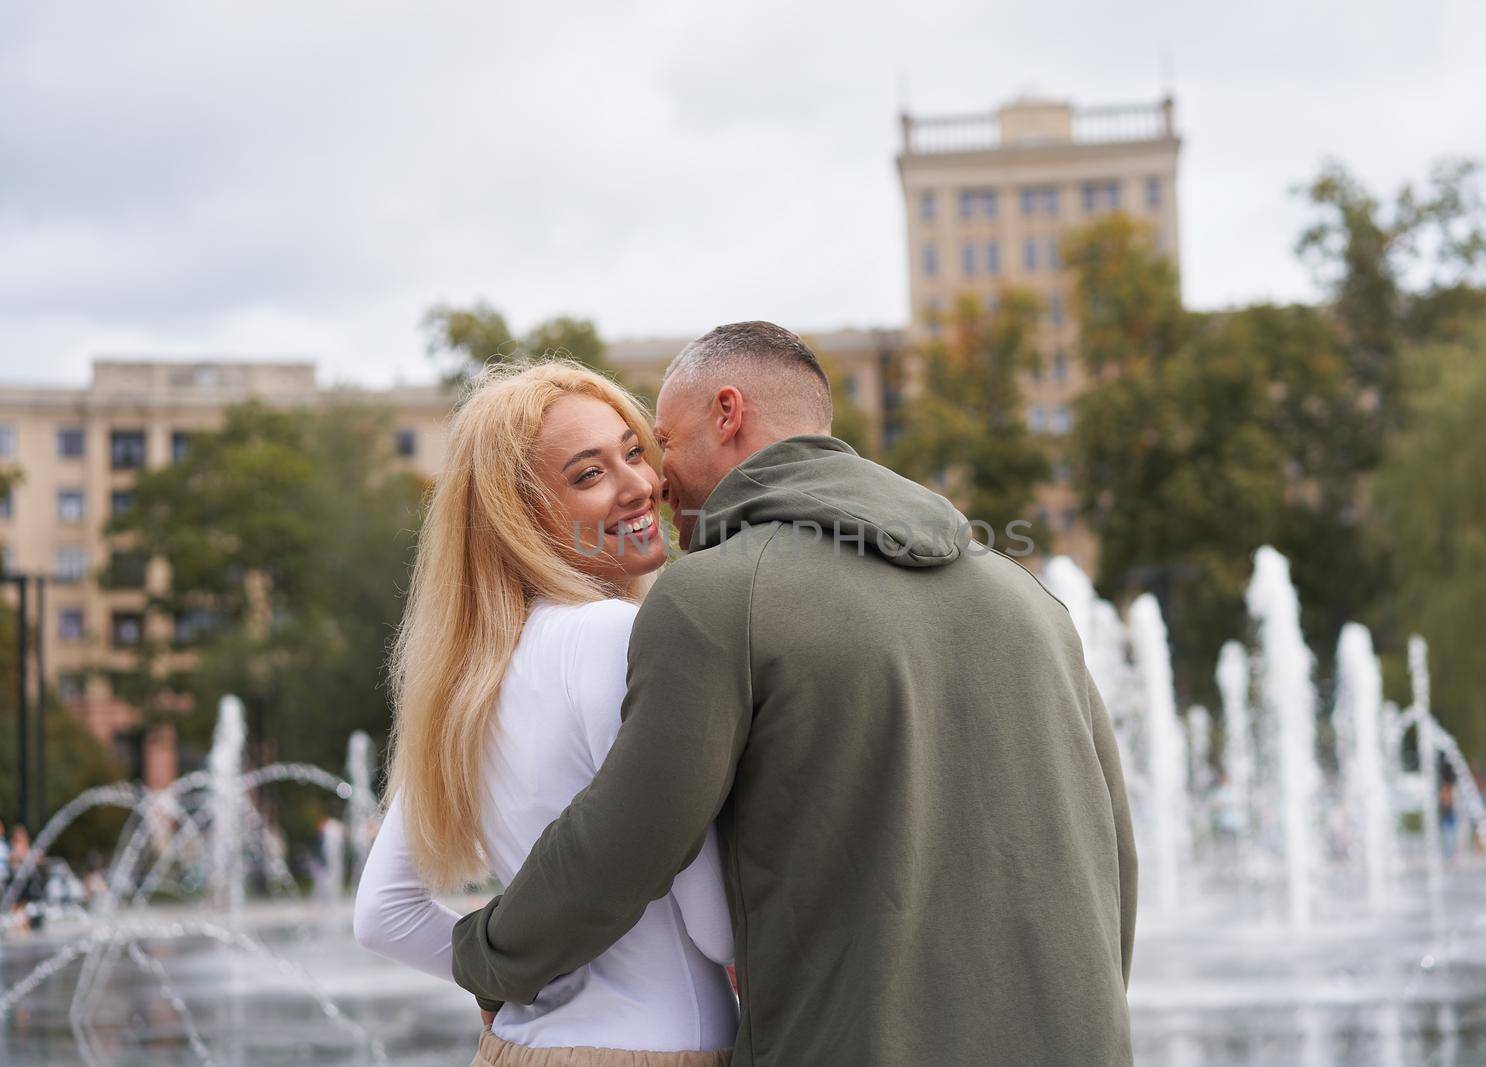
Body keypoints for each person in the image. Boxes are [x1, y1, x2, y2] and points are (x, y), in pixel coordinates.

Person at [451, 322, 1138, 1065]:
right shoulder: (1029, 600)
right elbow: (1116, 855)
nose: (658, 480)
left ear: (727, 412)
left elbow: (625, 844)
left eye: (663, 444)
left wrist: (486, 956)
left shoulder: (716, 595)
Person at [353, 361, 738, 1067]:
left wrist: (518, 980)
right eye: (588, 475)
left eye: (633, 451)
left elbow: (383, 916)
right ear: (519, 517)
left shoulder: (466, 677)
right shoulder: (614, 636)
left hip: (515, 1048)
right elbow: (717, 928)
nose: (640, 485)